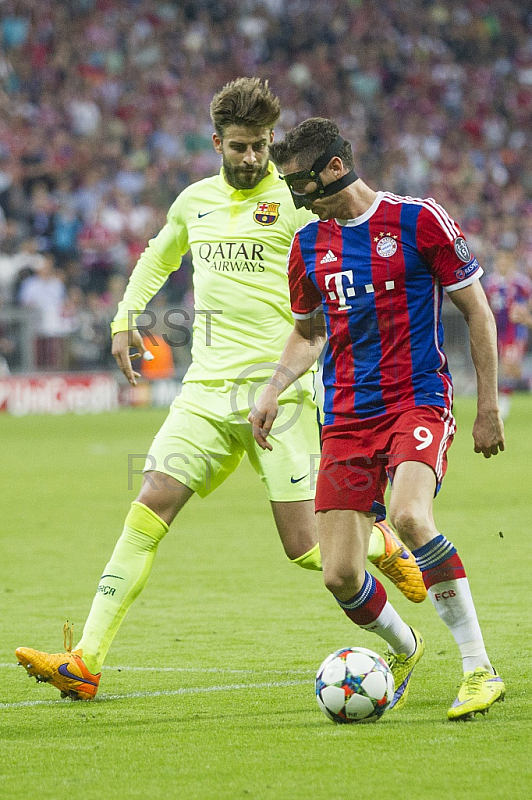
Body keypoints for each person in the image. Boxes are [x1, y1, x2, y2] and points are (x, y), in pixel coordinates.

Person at [15, 80, 424, 701]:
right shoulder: (194, 202)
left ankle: (381, 557)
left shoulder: (294, 203)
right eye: (240, 147)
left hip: (279, 398)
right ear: (216, 143)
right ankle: (86, 660)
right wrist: (126, 316)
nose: (252, 158)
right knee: (150, 504)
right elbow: (159, 255)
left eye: (261, 146)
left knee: (305, 549)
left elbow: (348, 252)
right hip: (204, 394)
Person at [249, 117, 506, 721]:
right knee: (339, 574)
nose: (295, 199)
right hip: (343, 418)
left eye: (299, 186)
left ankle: (478, 669)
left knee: (409, 516)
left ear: (334, 168)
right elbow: (309, 335)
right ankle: (405, 647)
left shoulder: (419, 220)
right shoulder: (309, 246)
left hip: (416, 400)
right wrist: (272, 390)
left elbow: (478, 311)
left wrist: (487, 404)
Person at [484, 248, 532, 419]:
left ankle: (502, 408)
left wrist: (524, 315)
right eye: (500, 260)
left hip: (515, 331)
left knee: (508, 367)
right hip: (496, 330)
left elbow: (527, 304)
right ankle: (527, 380)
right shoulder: (490, 283)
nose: (502, 263)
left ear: (511, 261)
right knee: (509, 369)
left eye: (505, 260)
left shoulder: (521, 283)